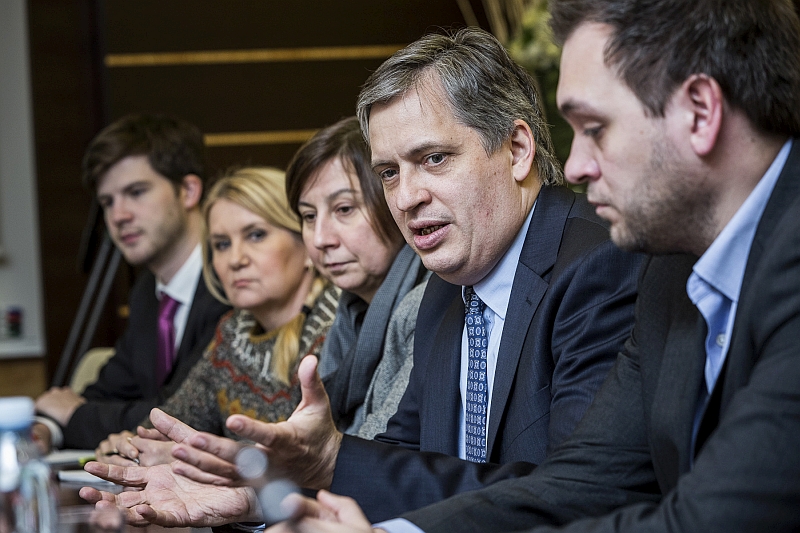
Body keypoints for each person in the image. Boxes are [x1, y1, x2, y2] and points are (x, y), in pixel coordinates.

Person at [254, 0, 800, 531]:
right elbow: (580, 485)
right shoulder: (668, 271)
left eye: (595, 128)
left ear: (700, 112)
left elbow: (705, 516)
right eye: (389, 173)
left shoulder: (625, 261)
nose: (576, 165)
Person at [79, 27, 644, 524]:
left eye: (434, 159)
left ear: (517, 149)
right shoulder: (446, 291)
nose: (407, 197)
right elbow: (406, 463)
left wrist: (331, 464)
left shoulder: (599, 264)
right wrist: (260, 500)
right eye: (389, 173)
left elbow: (577, 498)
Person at [95, 167, 338, 465]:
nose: (235, 259)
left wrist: (189, 455)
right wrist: (133, 445)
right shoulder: (233, 331)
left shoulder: (340, 324)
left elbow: (315, 460)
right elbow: (174, 423)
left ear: (307, 244)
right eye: (222, 244)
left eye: (256, 235)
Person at [34, 113, 230, 450]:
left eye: (136, 192)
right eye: (107, 201)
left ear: (188, 191)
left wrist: (74, 416)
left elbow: (185, 417)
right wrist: (47, 429)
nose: (118, 216)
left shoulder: (232, 281)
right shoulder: (147, 294)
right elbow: (107, 392)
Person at [285, 116, 428, 437]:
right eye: (309, 216)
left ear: (394, 202)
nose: (321, 238)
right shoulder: (346, 315)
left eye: (344, 209)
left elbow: (382, 445)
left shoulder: (431, 301)